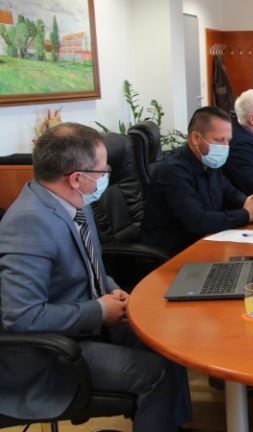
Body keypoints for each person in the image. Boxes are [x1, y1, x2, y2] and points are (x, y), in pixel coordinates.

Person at [0, 123, 192, 431]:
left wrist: (111, 290)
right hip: (50, 353)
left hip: (84, 324)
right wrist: (100, 311)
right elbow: (22, 317)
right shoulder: (29, 223)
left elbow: (92, 266)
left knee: (170, 341)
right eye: (103, 171)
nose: (107, 177)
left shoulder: (73, 201)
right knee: (154, 373)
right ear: (77, 178)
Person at [142, 106, 253, 256]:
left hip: (205, 242)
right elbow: (196, 221)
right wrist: (247, 213)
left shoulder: (209, 162)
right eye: (219, 140)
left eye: (228, 141)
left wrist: (251, 202)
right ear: (196, 139)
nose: (225, 147)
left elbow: (230, 193)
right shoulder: (172, 171)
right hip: (174, 254)